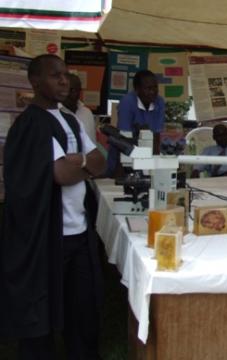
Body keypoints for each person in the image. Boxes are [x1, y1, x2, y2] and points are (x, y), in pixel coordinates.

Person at [0, 54, 106, 359]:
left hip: (79, 232)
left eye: (65, 74)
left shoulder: (70, 119)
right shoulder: (32, 125)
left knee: (82, 307)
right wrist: (82, 166)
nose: (64, 81)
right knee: (41, 309)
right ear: (35, 82)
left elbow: (100, 159)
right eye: (55, 76)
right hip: (47, 236)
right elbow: (60, 174)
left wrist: (82, 163)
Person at [106, 69, 165, 176]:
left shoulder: (159, 102)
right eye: (148, 88)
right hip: (123, 158)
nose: (153, 92)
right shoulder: (127, 102)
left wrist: (155, 168)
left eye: (155, 87)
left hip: (147, 156)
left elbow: (157, 136)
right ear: (137, 89)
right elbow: (123, 140)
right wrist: (120, 173)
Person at [61, 73, 96, 142]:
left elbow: (92, 142)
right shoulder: (55, 113)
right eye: (69, 90)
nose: (72, 94)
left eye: (75, 90)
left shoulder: (87, 113)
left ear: (80, 91)